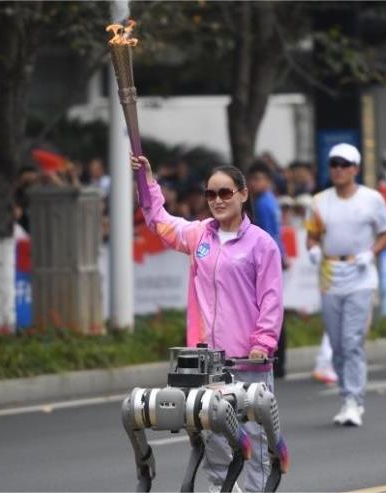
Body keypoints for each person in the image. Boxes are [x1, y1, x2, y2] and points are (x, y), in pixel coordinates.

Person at [130, 153, 282, 493]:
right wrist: (146, 180)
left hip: (247, 360)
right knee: (211, 433)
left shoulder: (261, 244)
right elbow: (158, 221)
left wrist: (262, 343)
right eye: (211, 194)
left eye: (225, 193)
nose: (217, 200)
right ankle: (221, 488)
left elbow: (271, 299)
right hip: (206, 363)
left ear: (243, 194)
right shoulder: (199, 236)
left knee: (254, 441)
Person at [305, 143, 386, 427]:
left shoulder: (372, 199)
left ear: (355, 168)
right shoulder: (319, 201)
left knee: (352, 340)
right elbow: (312, 236)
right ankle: (346, 397)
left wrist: (371, 254)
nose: (338, 169)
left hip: (360, 274)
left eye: (344, 164)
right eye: (334, 164)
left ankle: (354, 400)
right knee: (336, 342)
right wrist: (313, 250)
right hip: (331, 273)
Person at [247, 160, 288, 379]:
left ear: (268, 181)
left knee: (267, 308)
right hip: (274, 257)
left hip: (266, 259)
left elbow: (268, 234)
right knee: (273, 306)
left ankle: (275, 360)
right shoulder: (270, 200)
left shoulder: (262, 203)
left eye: (258, 179)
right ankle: (279, 362)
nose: (255, 183)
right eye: (252, 179)